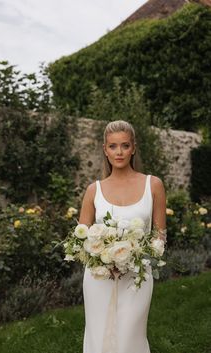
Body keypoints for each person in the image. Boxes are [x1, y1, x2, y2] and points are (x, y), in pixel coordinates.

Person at [79, 120, 167, 353]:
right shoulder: (93, 190)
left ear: (133, 148)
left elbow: (160, 235)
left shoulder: (153, 185)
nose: (119, 152)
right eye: (113, 146)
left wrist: (133, 259)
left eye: (125, 146)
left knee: (130, 336)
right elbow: (81, 238)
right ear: (105, 149)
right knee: (99, 337)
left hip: (137, 275)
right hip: (99, 277)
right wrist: (104, 259)